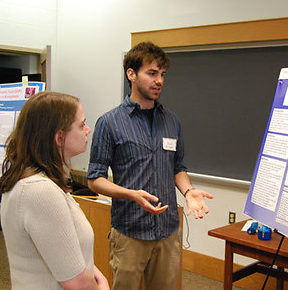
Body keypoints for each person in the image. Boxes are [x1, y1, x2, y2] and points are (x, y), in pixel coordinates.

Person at [87, 41, 214, 290]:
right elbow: (94, 179)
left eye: (162, 75)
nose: (159, 81)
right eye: (152, 73)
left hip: (167, 231)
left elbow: (178, 167)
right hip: (130, 231)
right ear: (131, 74)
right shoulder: (109, 123)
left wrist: (188, 192)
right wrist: (130, 194)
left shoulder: (171, 121)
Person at [0, 92, 109, 290]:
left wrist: (93, 274)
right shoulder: (39, 191)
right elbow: (75, 282)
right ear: (59, 137)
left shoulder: (37, 182)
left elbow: (67, 255)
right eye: (82, 124)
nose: (88, 129)